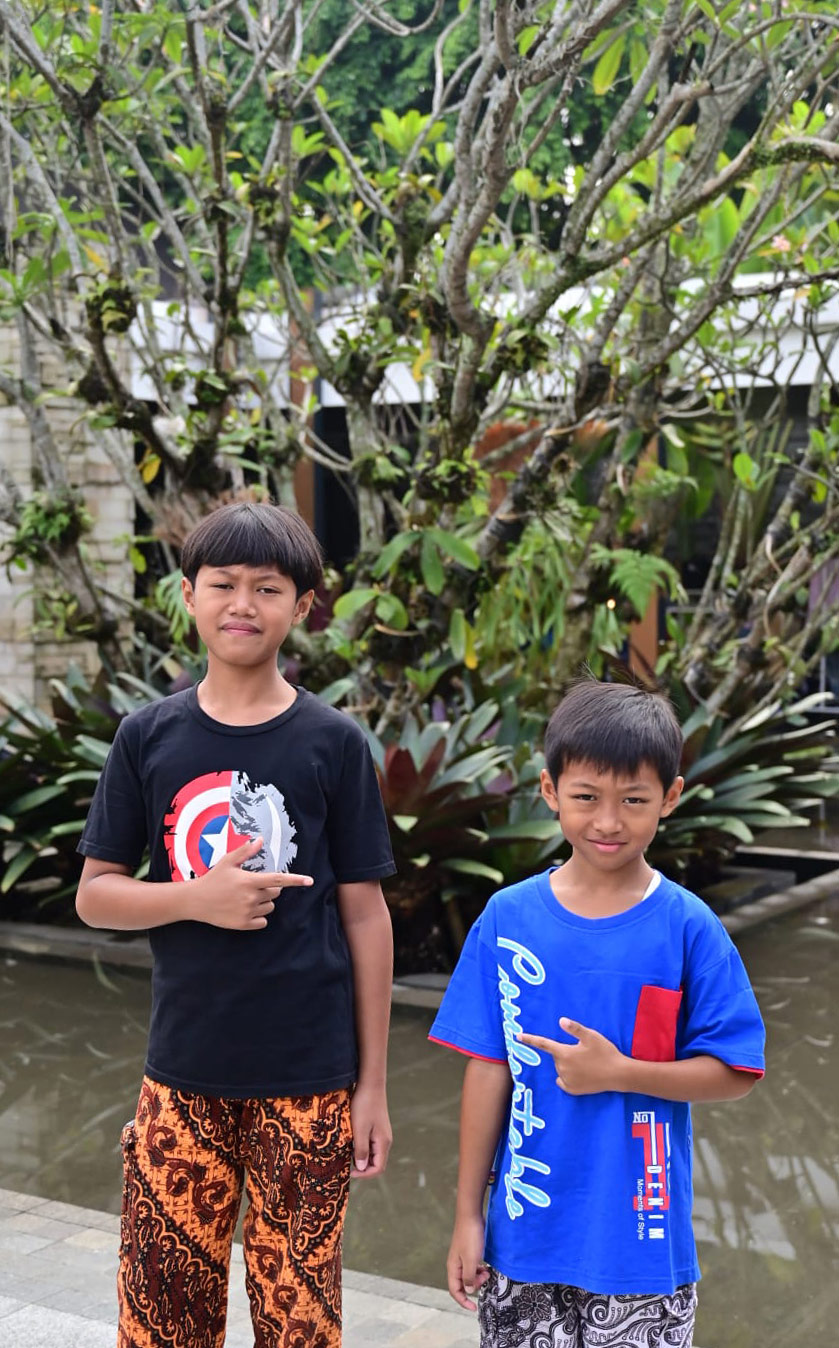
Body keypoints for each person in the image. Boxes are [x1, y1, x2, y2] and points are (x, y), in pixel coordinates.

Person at [75, 501, 395, 1348]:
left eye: (267, 587)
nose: (242, 603)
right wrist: (192, 897)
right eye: (222, 584)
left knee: (299, 1316)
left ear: (302, 607)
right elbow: (96, 895)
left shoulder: (332, 744)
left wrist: (372, 1086)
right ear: (189, 596)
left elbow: (364, 916)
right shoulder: (148, 738)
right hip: (180, 1075)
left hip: (310, 1079)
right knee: (161, 1311)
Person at [429, 679, 765, 1348]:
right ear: (550, 791)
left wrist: (621, 1072)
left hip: (638, 1242)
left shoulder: (686, 928)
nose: (608, 822)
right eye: (585, 797)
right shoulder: (508, 920)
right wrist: (469, 1215)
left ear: (669, 798)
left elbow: (736, 1070)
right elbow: (488, 1070)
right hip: (522, 1234)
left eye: (633, 801)